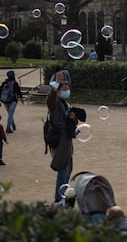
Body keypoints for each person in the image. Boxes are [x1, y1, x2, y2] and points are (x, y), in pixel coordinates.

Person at [47, 70, 79, 206]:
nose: (68, 89)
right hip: (59, 141)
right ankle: (58, 200)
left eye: (68, 86)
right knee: (63, 168)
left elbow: (66, 122)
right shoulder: (55, 102)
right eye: (64, 87)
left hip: (66, 141)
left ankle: (61, 197)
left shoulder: (65, 103)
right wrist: (55, 86)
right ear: (59, 89)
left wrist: (72, 119)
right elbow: (49, 100)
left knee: (67, 168)